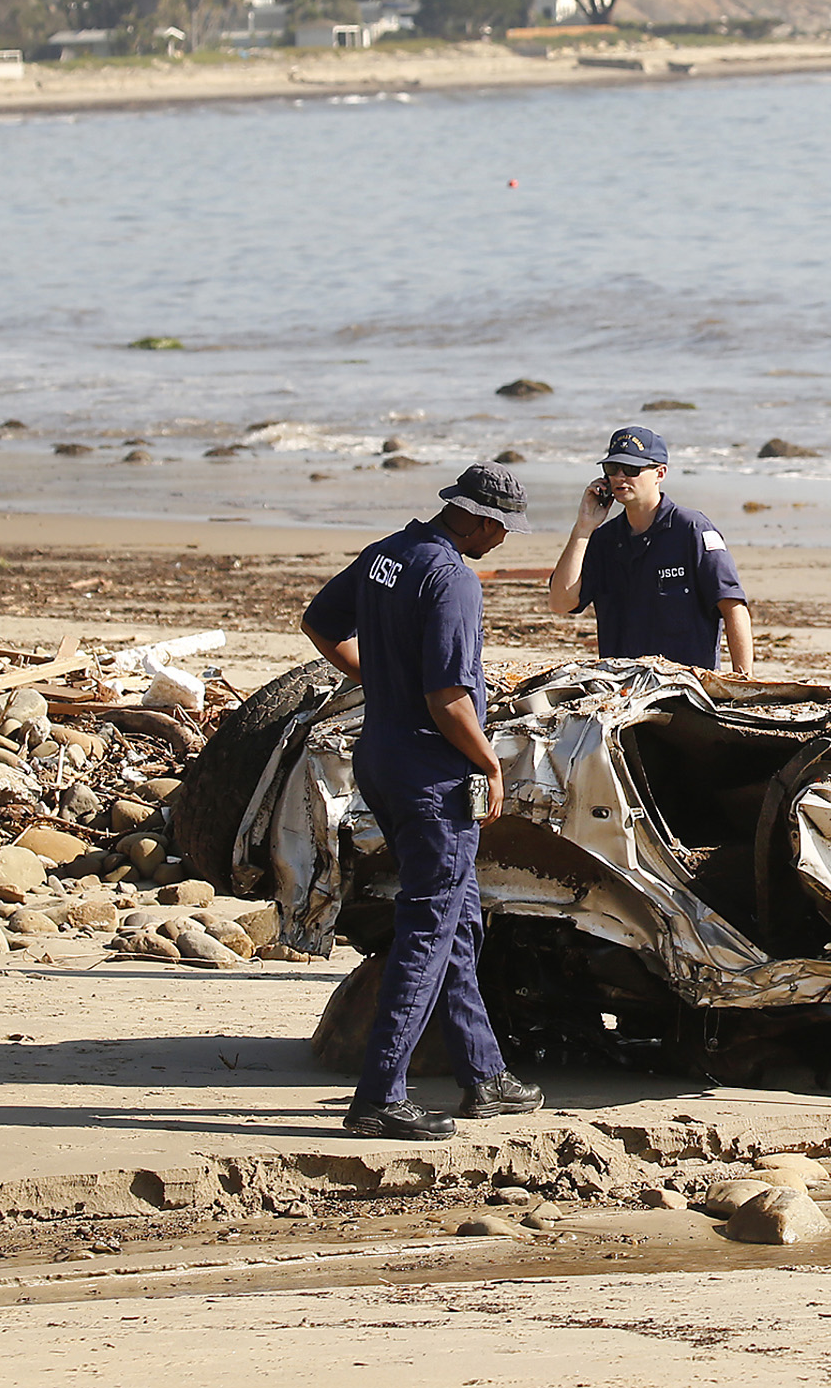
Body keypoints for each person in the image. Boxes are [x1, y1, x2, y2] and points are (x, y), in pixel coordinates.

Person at [300, 462, 547, 1141]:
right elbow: (448, 699)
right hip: (433, 774)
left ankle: (484, 1074)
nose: (501, 539)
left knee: (458, 915)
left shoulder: (386, 556)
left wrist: (381, 682)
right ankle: (380, 1093)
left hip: (381, 755)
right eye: (497, 526)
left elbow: (320, 623)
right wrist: (488, 760)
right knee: (430, 927)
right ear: (470, 516)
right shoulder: (451, 579)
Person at [545, 425, 753, 675]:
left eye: (632, 469)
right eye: (612, 469)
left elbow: (733, 607)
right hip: (621, 691)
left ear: (660, 473)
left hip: (686, 692)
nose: (620, 477)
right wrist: (583, 528)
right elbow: (560, 602)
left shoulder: (693, 530)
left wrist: (743, 680)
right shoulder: (602, 540)